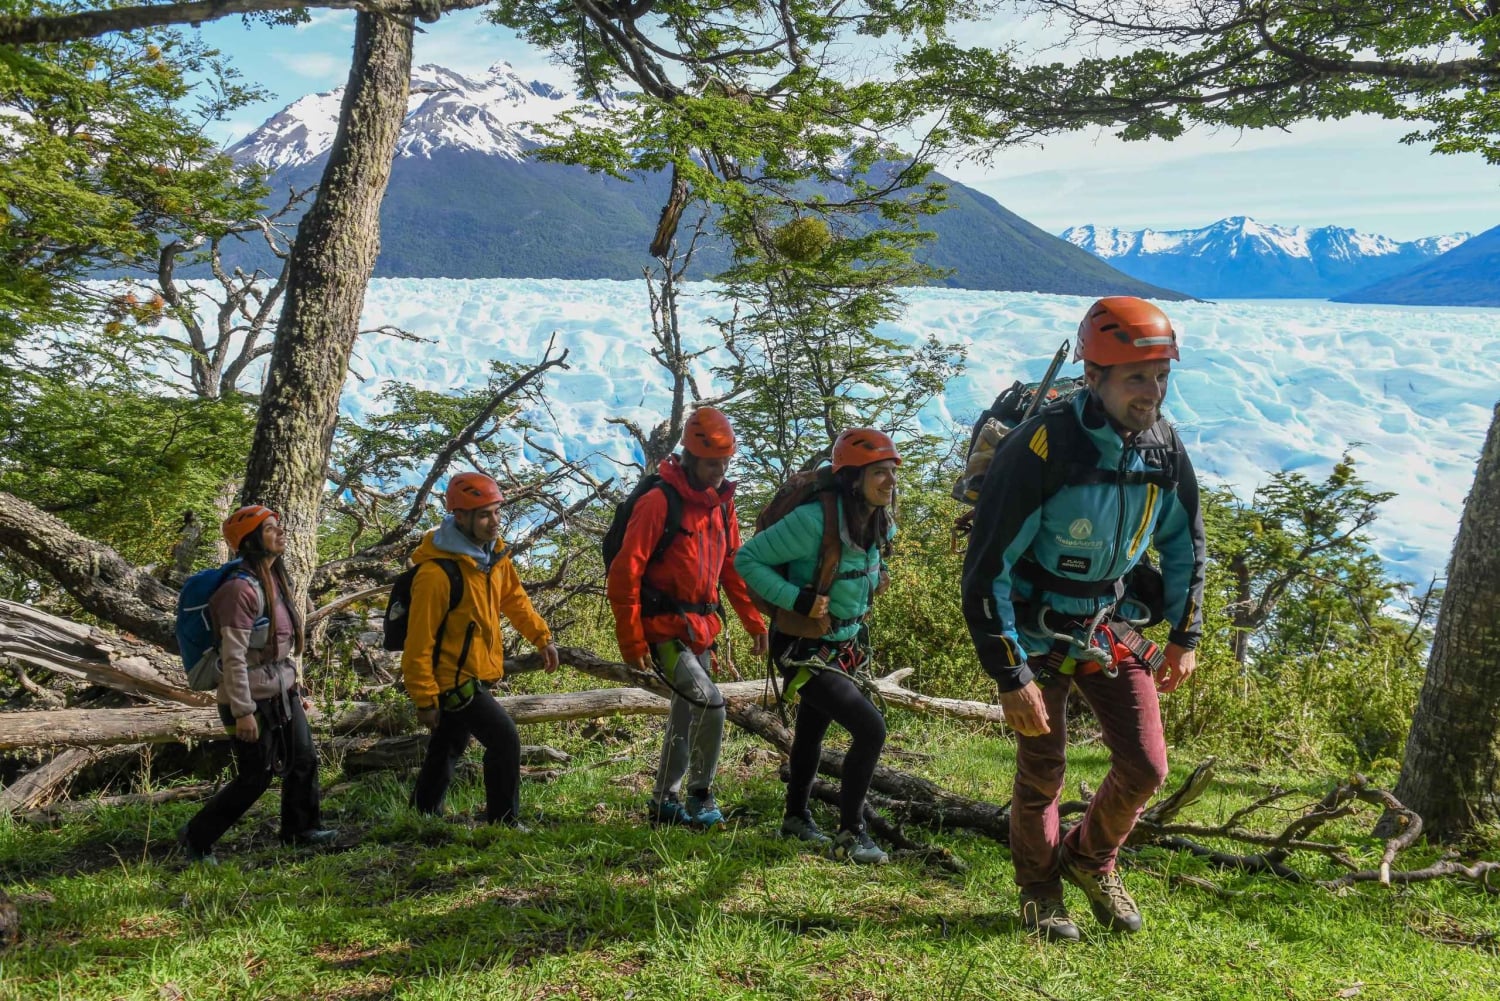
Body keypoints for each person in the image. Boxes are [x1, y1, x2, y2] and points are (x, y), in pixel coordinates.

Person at [961, 296, 1206, 940]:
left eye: (1161, 377)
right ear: (1093, 377)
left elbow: (1184, 543)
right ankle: (1039, 890)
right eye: (1136, 378)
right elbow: (988, 570)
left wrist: (1185, 633)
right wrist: (1010, 673)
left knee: (1147, 766)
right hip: (1035, 631)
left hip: (1109, 623)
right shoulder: (1041, 448)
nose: (1152, 393)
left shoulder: (1163, 446)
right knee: (1043, 770)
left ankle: (1090, 858)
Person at [735, 428, 900, 864]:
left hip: (843, 645)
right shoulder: (813, 521)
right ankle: (851, 834)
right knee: (871, 729)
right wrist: (799, 600)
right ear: (852, 478)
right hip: (803, 648)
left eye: (891, 472)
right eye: (879, 473)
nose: (889, 481)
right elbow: (746, 559)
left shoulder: (878, 518)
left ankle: (795, 817)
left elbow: (871, 564)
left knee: (812, 728)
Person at [606, 407, 769, 826]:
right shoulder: (659, 501)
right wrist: (631, 640)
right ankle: (701, 796)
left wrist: (754, 621)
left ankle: (664, 800)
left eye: (725, 463)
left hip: (702, 628)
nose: (720, 471)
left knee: (687, 710)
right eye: (713, 463)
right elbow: (626, 572)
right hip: (663, 629)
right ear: (691, 456)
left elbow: (732, 566)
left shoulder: (721, 505)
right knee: (711, 705)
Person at [179, 505, 336, 864]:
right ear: (250, 540)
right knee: (256, 776)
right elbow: (233, 657)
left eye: (277, 526)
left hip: (281, 692)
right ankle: (197, 837)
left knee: (303, 759)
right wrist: (243, 711)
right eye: (269, 529)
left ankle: (301, 831)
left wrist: (296, 688)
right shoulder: (238, 590)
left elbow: (279, 648)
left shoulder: (275, 581)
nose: (280, 532)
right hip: (247, 697)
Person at [402, 471, 560, 826]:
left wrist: (542, 637)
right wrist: (425, 698)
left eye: (497, 512)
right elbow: (418, 642)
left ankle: (421, 814)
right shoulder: (436, 574)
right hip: (453, 679)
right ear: (461, 517)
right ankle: (503, 819)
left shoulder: (493, 557)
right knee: (504, 739)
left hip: (474, 671)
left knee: (448, 744)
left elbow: (514, 600)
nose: (494, 522)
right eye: (485, 514)